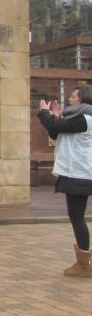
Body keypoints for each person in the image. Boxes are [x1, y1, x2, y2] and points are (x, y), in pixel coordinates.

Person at [37, 86, 92, 276]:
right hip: (76, 172)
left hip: (80, 174)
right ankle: (84, 261)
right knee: (76, 216)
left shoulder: (85, 119)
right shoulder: (76, 119)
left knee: (77, 216)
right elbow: (57, 134)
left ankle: (84, 263)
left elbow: (55, 127)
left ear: (83, 99)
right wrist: (57, 118)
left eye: (74, 96)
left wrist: (45, 113)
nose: (70, 98)